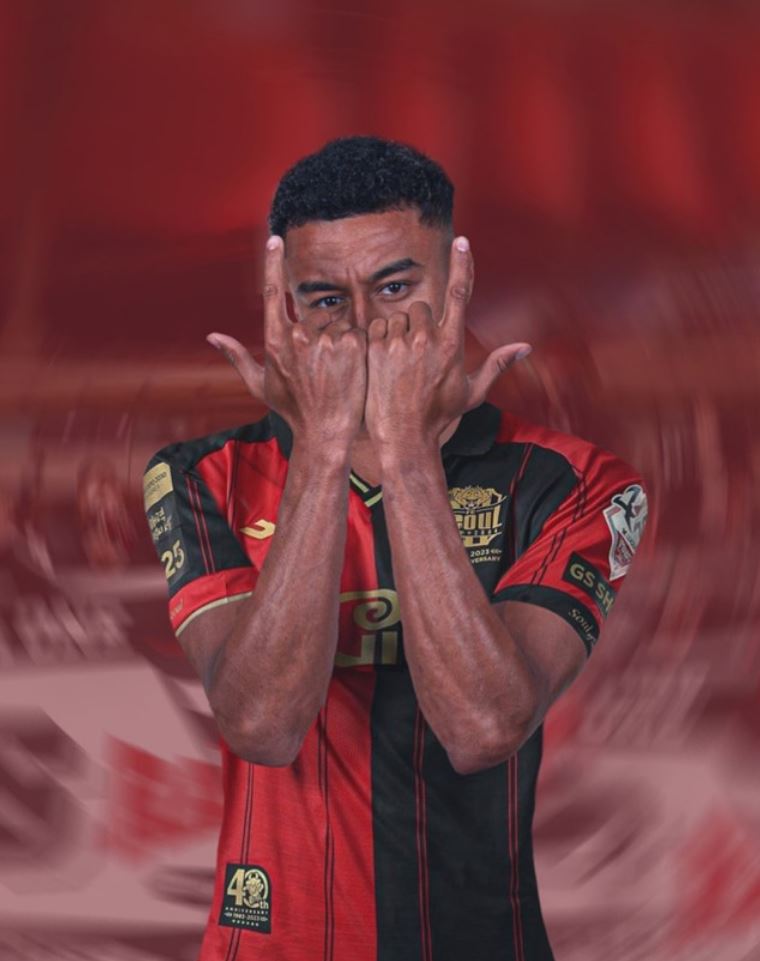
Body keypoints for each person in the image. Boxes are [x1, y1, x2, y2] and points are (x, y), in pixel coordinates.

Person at [143, 136, 648, 961]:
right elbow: (263, 725)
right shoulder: (201, 475)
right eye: (325, 298)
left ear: (457, 283)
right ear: (283, 306)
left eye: (394, 287)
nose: (364, 330)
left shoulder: (578, 480)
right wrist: (324, 444)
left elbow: (483, 727)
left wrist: (407, 451)